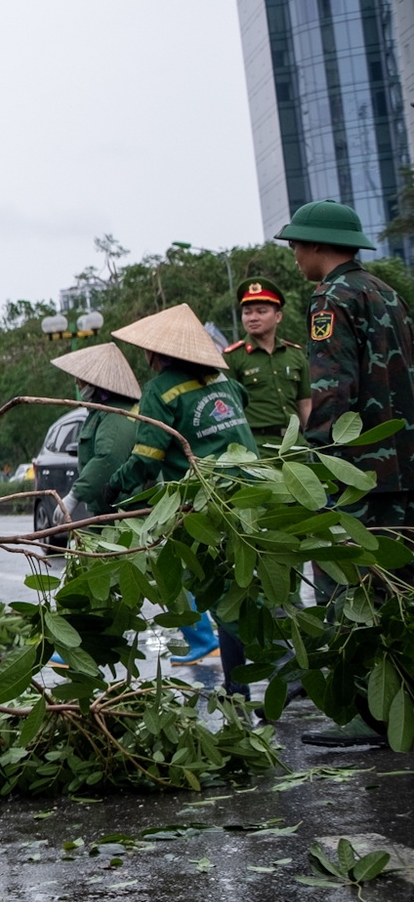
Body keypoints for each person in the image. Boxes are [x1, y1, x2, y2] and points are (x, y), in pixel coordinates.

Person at [277, 199, 414, 746]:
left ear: (314, 246)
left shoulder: (330, 300)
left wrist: (316, 463)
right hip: (403, 465)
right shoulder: (387, 293)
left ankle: (370, 711)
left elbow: (333, 394)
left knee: (350, 590)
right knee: (402, 587)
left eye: (295, 246)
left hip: (359, 472)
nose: (293, 256)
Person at [100, 304, 253, 665]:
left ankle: (260, 671)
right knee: (243, 585)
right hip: (249, 490)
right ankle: (239, 687)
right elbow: (243, 402)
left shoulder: (160, 390)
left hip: (206, 502)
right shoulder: (223, 380)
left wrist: (115, 488)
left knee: (214, 587)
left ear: (158, 352)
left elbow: (146, 457)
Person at [52, 343, 143, 524]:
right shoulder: (102, 413)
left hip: (124, 515)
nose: (77, 383)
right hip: (109, 511)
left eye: (81, 378)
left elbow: (108, 458)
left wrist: (75, 495)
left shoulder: (117, 416)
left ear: (96, 381)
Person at [225, 281, 311, 443]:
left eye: (261, 311)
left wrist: (314, 441)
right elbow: (227, 409)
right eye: (247, 312)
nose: (253, 318)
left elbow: (305, 404)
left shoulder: (295, 355)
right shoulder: (232, 357)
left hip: (296, 446)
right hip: (257, 447)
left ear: (278, 316)